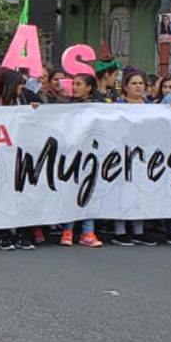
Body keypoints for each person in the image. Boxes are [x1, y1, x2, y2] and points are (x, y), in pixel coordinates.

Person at [111, 69, 157, 246]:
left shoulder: (152, 107)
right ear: (126, 87)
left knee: (140, 192)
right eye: (134, 83)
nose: (138, 87)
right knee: (122, 192)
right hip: (121, 154)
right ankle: (120, 231)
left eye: (141, 83)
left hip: (146, 155)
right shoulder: (117, 106)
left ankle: (139, 231)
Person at [59, 73, 102, 248]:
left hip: (93, 154)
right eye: (73, 84)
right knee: (70, 190)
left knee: (89, 191)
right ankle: (67, 230)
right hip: (70, 154)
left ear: (89, 87)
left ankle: (87, 231)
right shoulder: (64, 106)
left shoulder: (100, 107)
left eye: (79, 84)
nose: (74, 87)